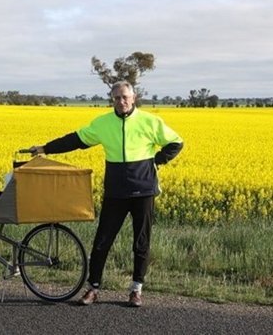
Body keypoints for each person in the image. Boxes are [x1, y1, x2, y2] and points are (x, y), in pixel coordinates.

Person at [30, 80, 183, 307]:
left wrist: (156, 162)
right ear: (112, 99)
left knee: (141, 243)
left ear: (134, 98)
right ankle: (93, 288)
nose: (121, 101)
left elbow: (176, 142)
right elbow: (76, 140)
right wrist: (46, 148)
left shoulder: (149, 121)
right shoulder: (103, 123)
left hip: (144, 191)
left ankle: (136, 290)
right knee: (102, 241)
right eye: (117, 98)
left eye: (125, 97)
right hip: (115, 191)